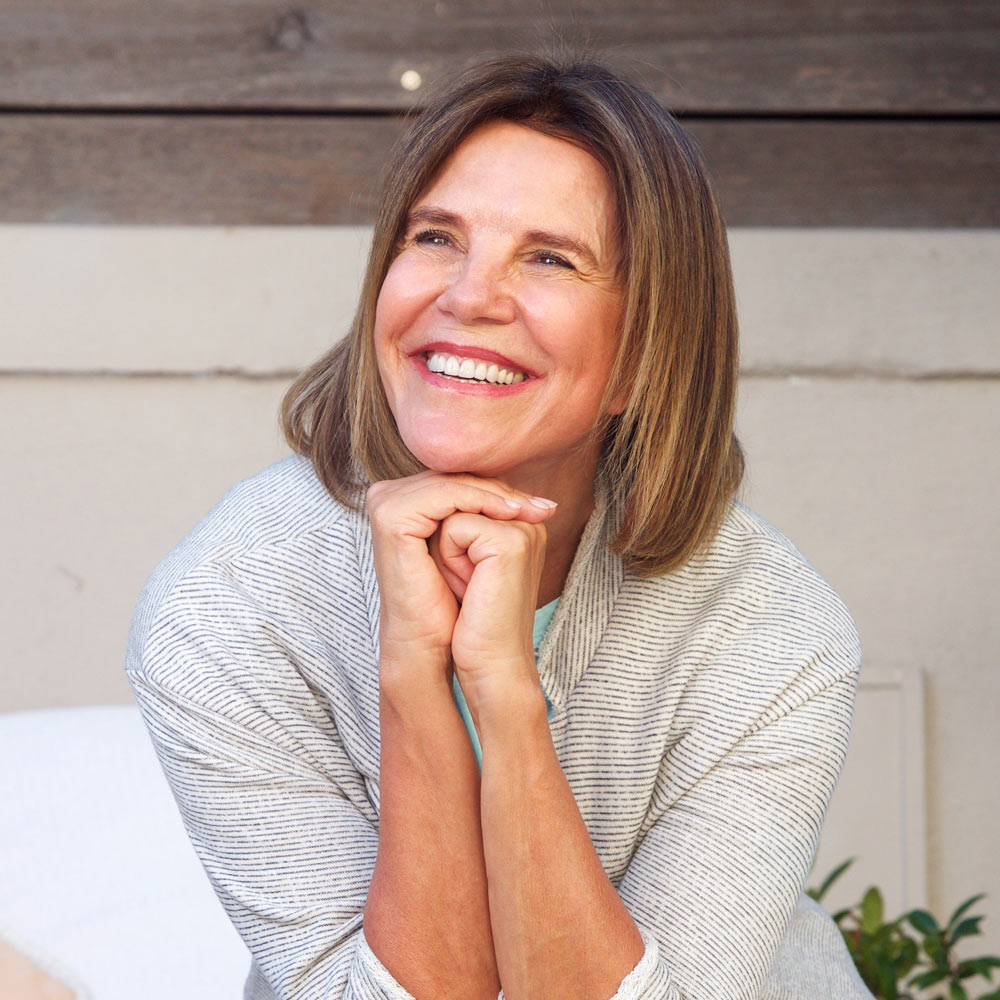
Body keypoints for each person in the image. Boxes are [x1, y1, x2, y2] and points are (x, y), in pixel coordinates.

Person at [125, 54, 873, 1000]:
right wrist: (411, 669)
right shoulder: (232, 601)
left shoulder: (770, 630)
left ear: (646, 353)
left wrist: (502, 691)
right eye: (436, 238)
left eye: (550, 257)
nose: (470, 296)